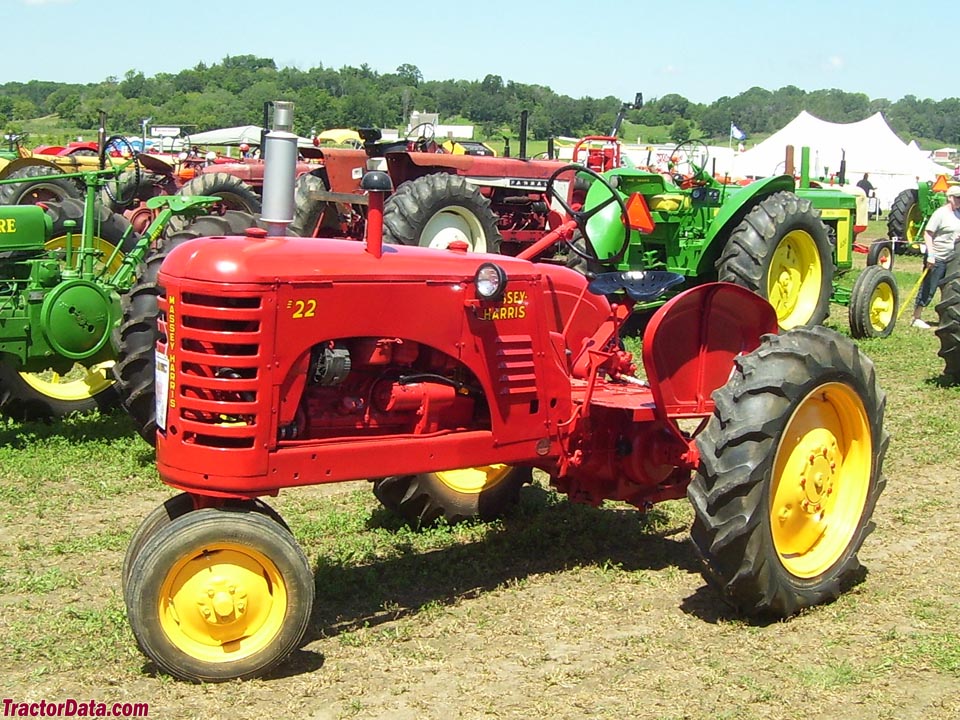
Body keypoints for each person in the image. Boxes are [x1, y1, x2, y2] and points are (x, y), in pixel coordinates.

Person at [912, 184, 960, 328]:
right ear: (950, 198)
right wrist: (931, 255)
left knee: (950, 290)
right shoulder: (940, 214)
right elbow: (928, 233)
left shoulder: (958, 213)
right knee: (929, 287)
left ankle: (946, 318)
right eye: (958, 198)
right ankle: (916, 317)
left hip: (952, 258)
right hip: (937, 257)